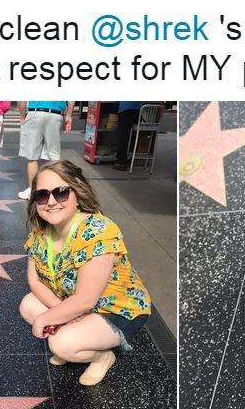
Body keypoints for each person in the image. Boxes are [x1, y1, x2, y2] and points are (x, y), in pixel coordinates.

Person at [18, 161, 151, 386]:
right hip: (77, 301)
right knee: (28, 305)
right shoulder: (41, 232)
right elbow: (34, 279)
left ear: (77, 193)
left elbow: (86, 300)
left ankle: (102, 357)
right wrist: (65, 312)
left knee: (61, 344)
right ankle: (78, 338)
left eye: (60, 193)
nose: (51, 202)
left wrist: (49, 318)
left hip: (116, 309)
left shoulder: (98, 232)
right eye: (42, 195)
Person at [17, 101, 75, 200]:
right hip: (56, 114)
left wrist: (22, 116)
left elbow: (21, 101)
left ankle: (33, 190)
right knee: (54, 157)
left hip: (35, 113)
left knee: (32, 156)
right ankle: (55, 189)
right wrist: (69, 115)